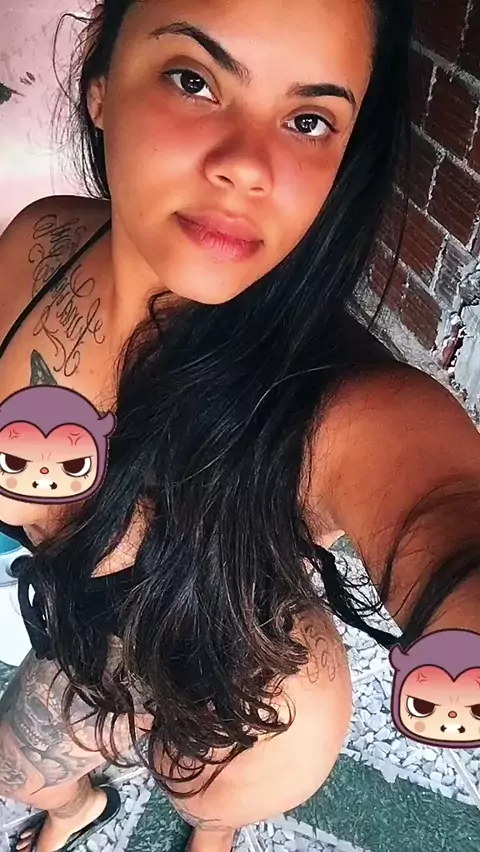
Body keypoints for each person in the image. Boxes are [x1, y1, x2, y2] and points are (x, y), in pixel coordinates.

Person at [1, 1, 480, 851]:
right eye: (193, 80)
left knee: (208, 800)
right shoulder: (40, 244)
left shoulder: (338, 403)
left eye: (308, 120)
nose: (247, 167)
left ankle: (214, 831)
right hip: (78, 639)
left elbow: (440, 510)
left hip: (252, 703)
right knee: (17, 770)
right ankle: (78, 812)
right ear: (101, 81)